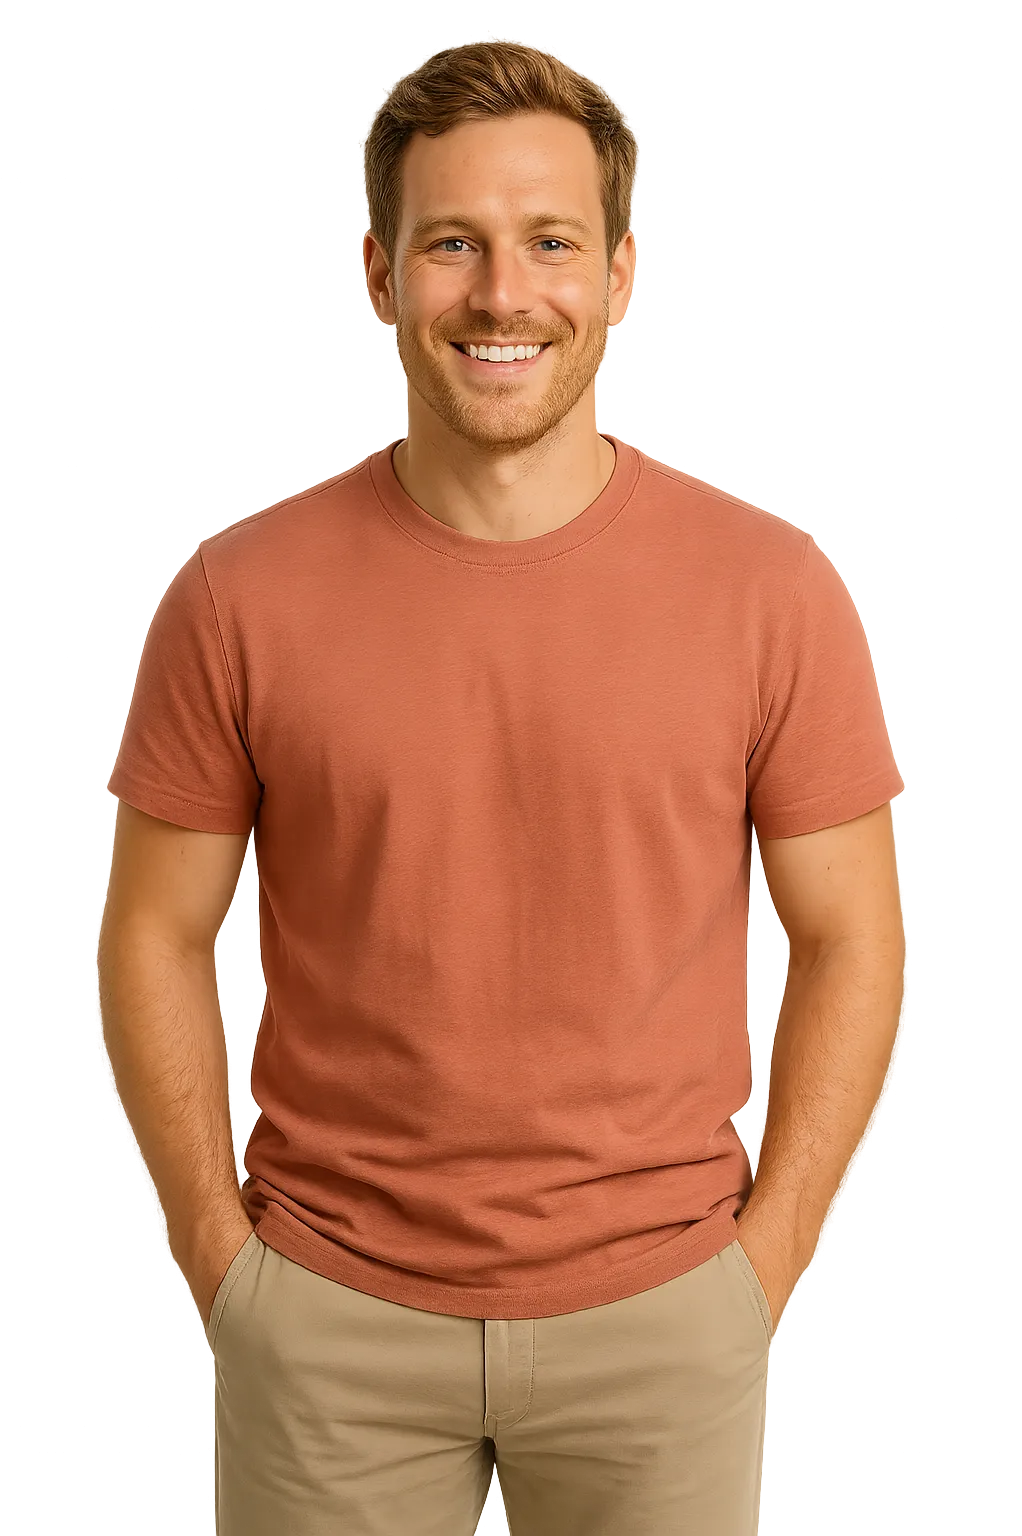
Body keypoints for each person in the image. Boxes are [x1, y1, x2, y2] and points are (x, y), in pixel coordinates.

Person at [97, 39, 905, 1536]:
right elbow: (153, 933)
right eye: (451, 243)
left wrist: (761, 1267)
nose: (502, 292)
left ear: (620, 273)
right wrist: (224, 1264)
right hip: (329, 1323)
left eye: (551, 241)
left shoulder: (771, 591)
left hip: (662, 1317)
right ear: (378, 273)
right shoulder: (235, 595)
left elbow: (850, 932)